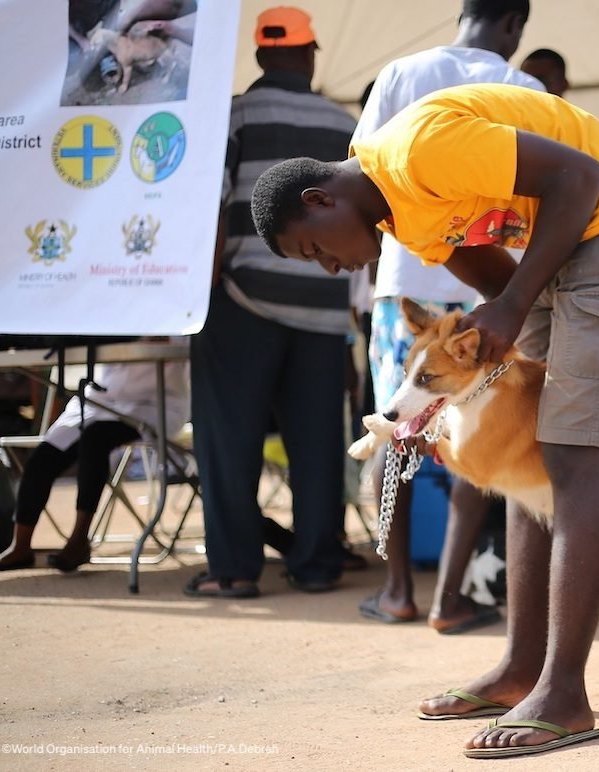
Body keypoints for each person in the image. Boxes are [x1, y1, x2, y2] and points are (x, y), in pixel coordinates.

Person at [251, 82, 599, 757]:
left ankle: (564, 694)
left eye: (316, 249)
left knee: (571, 451)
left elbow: (581, 176)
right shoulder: (397, 210)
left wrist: (511, 312)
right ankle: (520, 671)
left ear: (319, 198)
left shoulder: (418, 152)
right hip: (566, 243)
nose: (333, 267)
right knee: (524, 453)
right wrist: (493, 340)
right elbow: (497, 281)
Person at [353, 0, 543, 634]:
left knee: (395, 424)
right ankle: (450, 598)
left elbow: (364, 177)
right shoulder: (526, 89)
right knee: (480, 429)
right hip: (495, 287)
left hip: (408, 282)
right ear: (515, 24)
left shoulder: (401, 74)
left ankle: (398, 589)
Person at [185, 7, 357, 599]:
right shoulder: (342, 124)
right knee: (317, 442)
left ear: (260, 56)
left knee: (229, 439)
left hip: (243, 299)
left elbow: (210, 202)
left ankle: (233, 570)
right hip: (325, 301)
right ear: (311, 54)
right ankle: (317, 565)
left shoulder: (233, 115)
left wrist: (196, 294)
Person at [0, 360, 189, 572]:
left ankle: (80, 540)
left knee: (95, 439)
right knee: (44, 457)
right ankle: (20, 546)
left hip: (156, 403)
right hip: (99, 399)